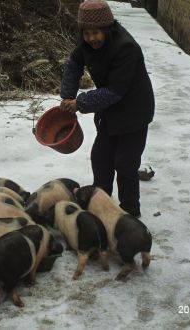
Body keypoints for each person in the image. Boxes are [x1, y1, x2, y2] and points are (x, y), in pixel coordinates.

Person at [59, 0, 155, 217]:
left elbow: (115, 91)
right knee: (101, 159)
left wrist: (80, 103)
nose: (91, 38)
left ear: (107, 29)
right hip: (110, 112)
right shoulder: (86, 45)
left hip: (134, 112)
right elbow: (73, 65)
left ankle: (130, 211)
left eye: (96, 33)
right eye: (86, 33)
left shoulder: (125, 47)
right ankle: (101, 206)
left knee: (125, 163)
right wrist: (67, 96)